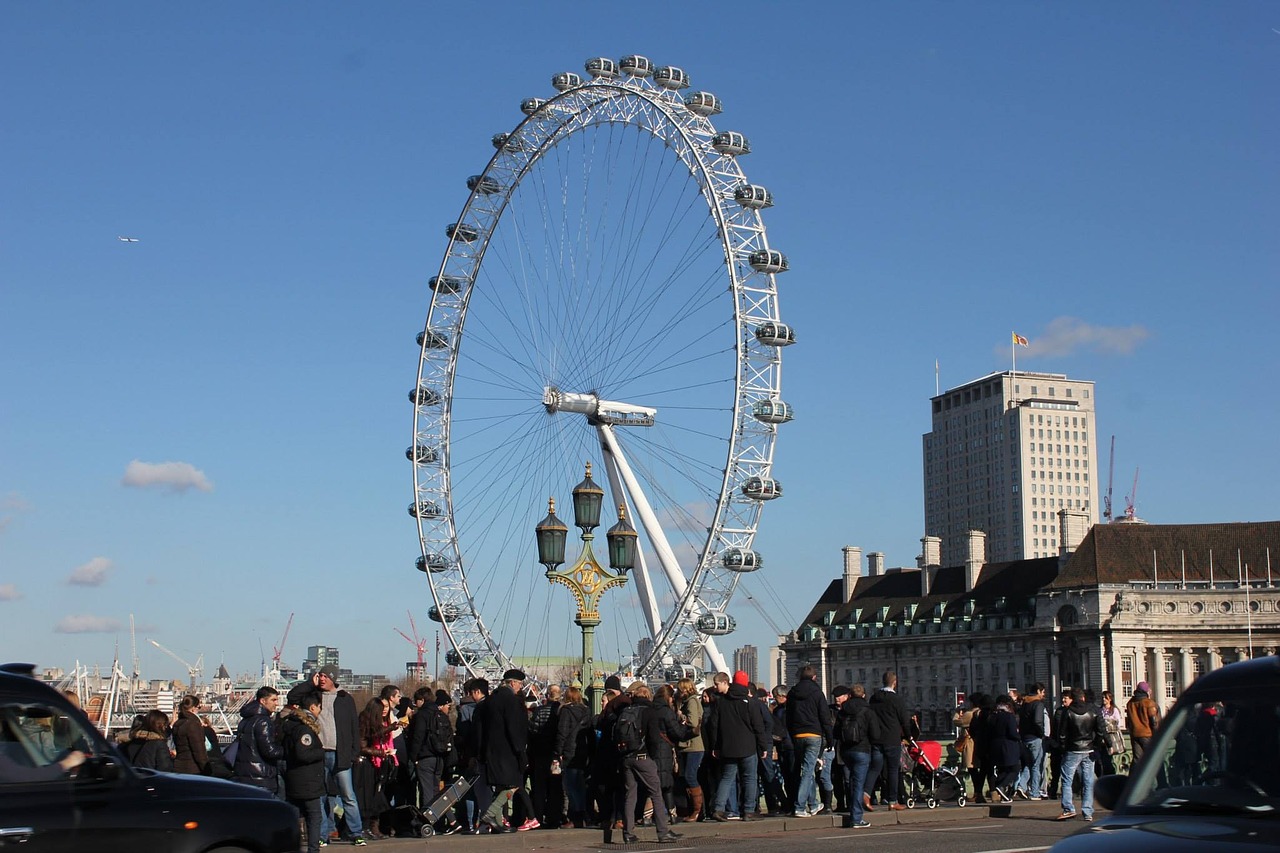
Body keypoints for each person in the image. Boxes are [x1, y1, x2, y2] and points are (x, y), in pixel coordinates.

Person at [618, 683, 684, 843]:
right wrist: (652, 757)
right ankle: (662, 832)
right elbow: (654, 738)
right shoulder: (649, 712)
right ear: (648, 696)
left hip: (626, 757)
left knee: (630, 795)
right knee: (656, 792)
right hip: (643, 757)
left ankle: (628, 833)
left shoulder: (626, 711)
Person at [314, 664, 368, 844]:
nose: (322, 679)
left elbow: (354, 727)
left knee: (348, 796)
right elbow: (293, 696)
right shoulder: (313, 697)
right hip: (319, 754)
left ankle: (356, 833)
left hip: (341, 755)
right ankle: (322, 835)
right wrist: (309, 683)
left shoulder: (345, 699)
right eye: (320, 676)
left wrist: (353, 753)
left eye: (325, 676)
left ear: (333, 678)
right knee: (320, 797)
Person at [706, 670, 769, 822]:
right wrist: (763, 746)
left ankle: (719, 809)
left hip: (728, 746)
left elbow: (714, 725)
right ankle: (748, 810)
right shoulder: (750, 702)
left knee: (727, 778)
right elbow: (758, 726)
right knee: (750, 779)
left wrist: (716, 746)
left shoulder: (722, 702)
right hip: (748, 746)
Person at [478, 669, 531, 833]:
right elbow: (513, 729)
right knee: (514, 784)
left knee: (500, 786)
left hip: (491, 751)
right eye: (520, 684)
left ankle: (498, 823)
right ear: (513, 682)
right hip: (508, 752)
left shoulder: (490, 700)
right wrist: (520, 751)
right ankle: (491, 813)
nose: (520, 688)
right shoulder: (511, 701)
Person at [282, 685, 328, 853]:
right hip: (307, 781)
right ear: (312, 707)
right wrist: (320, 752)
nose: (320, 710)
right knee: (314, 817)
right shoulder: (304, 729)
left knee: (296, 816)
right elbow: (303, 754)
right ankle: (313, 849)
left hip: (295, 779)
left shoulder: (290, 725)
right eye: (319, 707)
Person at [785, 665, 831, 817]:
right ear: (814, 677)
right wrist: (829, 739)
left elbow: (788, 717)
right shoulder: (817, 693)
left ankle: (813, 804)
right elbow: (825, 717)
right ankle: (799, 806)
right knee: (808, 771)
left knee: (806, 770)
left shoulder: (792, 693)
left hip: (797, 735)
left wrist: (792, 734)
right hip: (814, 734)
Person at [1056, 687, 1104, 822]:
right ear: (1083, 698)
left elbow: (1062, 734)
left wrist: (1063, 747)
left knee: (1067, 779)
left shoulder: (1068, 712)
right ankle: (1087, 811)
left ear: (1073, 698)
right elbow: (1100, 731)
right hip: (1088, 749)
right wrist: (1096, 746)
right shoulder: (1092, 711)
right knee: (1088, 781)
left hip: (1073, 749)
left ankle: (1068, 809)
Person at [837, 683, 880, 828]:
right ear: (863, 695)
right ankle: (856, 818)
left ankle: (852, 809)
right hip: (862, 750)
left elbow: (836, 732)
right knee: (858, 784)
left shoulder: (843, 710)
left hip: (845, 751)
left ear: (849, 695)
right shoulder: (868, 711)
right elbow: (875, 734)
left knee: (851, 782)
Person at [868, 670, 912, 810]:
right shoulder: (896, 700)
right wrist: (909, 736)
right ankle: (892, 801)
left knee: (875, 768)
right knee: (893, 770)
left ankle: (865, 794)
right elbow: (905, 721)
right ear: (895, 682)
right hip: (892, 739)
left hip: (876, 738)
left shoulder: (874, 698)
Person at [650, 684, 693, 826]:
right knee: (667, 785)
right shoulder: (667, 712)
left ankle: (649, 815)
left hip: (651, 750)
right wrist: (684, 725)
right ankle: (671, 815)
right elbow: (678, 733)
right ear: (668, 697)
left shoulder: (650, 710)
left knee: (653, 785)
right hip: (664, 751)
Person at [354, 697, 396, 839]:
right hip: (363, 763)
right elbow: (362, 746)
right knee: (365, 797)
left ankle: (369, 827)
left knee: (372, 796)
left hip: (371, 762)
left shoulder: (369, 720)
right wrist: (381, 752)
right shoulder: (364, 721)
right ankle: (364, 827)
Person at [232, 686, 283, 794]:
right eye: (273, 700)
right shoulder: (263, 721)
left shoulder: (245, 720)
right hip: (261, 777)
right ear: (263, 701)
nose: (277, 703)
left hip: (244, 775)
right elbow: (269, 751)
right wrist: (287, 750)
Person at [555, 684, 592, 828]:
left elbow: (562, 733)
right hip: (582, 752)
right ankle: (583, 814)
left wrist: (558, 752)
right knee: (580, 785)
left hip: (569, 752)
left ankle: (576, 815)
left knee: (570, 786)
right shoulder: (586, 711)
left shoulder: (566, 711)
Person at [528, 683, 563, 828]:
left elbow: (533, 730)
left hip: (540, 753)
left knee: (540, 788)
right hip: (555, 754)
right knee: (555, 787)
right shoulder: (561, 712)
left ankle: (538, 816)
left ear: (547, 695)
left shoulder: (540, 711)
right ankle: (554, 817)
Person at [673, 677, 705, 822]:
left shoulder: (691, 701)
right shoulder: (690, 701)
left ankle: (697, 810)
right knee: (687, 776)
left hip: (692, 745)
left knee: (690, 776)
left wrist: (681, 716)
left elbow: (692, 721)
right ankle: (694, 810)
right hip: (688, 746)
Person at [1015, 682, 1049, 800]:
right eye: (1043, 692)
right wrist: (1041, 734)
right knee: (1036, 765)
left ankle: (1021, 785)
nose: (1043, 694)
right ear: (1039, 691)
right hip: (1035, 737)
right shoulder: (1038, 704)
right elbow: (1038, 721)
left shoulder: (1025, 704)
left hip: (1025, 738)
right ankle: (1035, 792)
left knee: (1029, 764)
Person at [985, 693, 1021, 802]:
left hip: (995, 745)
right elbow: (1012, 733)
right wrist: (1019, 736)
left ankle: (1003, 794)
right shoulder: (1009, 716)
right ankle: (1001, 786)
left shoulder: (992, 716)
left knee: (1002, 769)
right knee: (1015, 768)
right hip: (1008, 745)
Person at [171, 695, 210, 775]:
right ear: (193, 708)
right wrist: (207, 770)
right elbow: (199, 751)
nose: (199, 710)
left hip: (178, 767)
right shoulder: (193, 725)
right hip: (193, 769)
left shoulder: (177, 724)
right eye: (198, 707)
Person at [1126, 681, 1161, 762]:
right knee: (1154, 758)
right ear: (1146, 691)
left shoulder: (1130, 703)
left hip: (1135, 735)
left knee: (1137, 760)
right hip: (1147, 735)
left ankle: (1134, 775)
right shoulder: (1149, 703)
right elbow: (1154, 722)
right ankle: (1161, 775)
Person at [1098, 690, 1125, 776]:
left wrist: (1107, 723)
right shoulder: (1100, 710)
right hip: (1102, 738)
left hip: (1112, 737)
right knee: (1103, 760)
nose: (1104, 699)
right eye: (1102, 698)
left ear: (1110, 699)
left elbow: (1118, 723)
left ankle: (1110, 775)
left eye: (1106, 698)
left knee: (1109, 759)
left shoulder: (1114, 710)